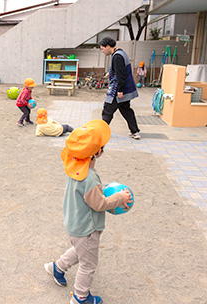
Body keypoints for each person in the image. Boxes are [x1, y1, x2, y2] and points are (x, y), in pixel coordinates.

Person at [44, 119, 133, 304]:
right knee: (89, 263)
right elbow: (99, 204)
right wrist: (120, 198)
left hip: (75, 223)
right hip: (87, 228)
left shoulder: (75, 167)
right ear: (97, 153)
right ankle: (81, 297)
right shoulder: (90, 178)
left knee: (81, 250)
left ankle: (57, 268)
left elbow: (90, 196)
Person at [99, 37, 141, 140]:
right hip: (125, 88)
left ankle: (100, 133)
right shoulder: (121, 53)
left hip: (119, 90)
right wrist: (111, 73)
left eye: (102, 48)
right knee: (126, 110)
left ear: (108, 47)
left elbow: (121, 76)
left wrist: (120, 90)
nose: (102, 51)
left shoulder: (117, 57)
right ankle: (135, 131)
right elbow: (120, 70)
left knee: (107, 110)